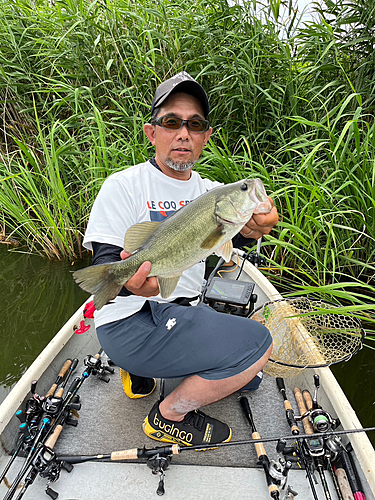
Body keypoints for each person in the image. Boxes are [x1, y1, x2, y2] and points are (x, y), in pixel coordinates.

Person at [83, 71, 279, 447]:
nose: (184, 133)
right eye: (172, 122)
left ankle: (143, 370)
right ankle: (168, 415)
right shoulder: (122, 185)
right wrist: (128, 282)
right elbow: (109, 259)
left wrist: (257, 226)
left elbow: (236, 233)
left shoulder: (210, 192)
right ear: (151, 132)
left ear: (206, 135)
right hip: (132, 321)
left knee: (249, 377)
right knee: (258, 346)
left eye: (196, 124)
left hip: (182, 311)